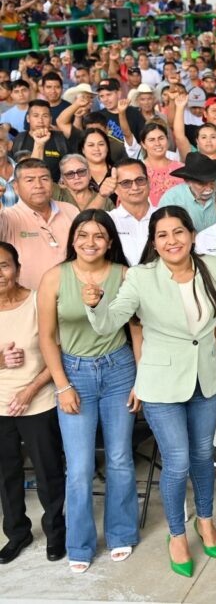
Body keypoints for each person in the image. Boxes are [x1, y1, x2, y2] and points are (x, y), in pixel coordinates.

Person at [83, 206, 216, 577]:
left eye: (179, 232)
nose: (172, 241)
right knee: (178, 460)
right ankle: (178, 533)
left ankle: (206, 520)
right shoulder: (140, 277)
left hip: (205, 378)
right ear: (154, 241)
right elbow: (110, 322)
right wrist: (95, 305)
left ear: (192, 235)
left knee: (202, 456)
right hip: (161, 384)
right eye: (163, 235)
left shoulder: (211, 267)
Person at [37, 210, 139, 573]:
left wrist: (140, 380)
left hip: (119, 370)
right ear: (73, 239)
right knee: (79, 467)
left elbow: (136, 331)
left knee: (119, 459)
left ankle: (122, 531)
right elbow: (47, 337)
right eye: (83, 235)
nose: (90, 242)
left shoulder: (125, 276)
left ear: (110, 241)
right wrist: (62, 385)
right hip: (74, 374)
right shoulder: (54, 278)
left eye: (98, 236)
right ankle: (79, 544)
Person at [0, 242, 65, 565]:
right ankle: (16, 533)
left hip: (37, 399)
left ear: (17, 268)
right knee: (6, 473)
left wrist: (30, 390)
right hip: (0, 406)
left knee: (48, 469)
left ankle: (55, 533)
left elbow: (58, 347)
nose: (0, 274)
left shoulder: (37, 301)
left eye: (4, 265)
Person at [0, 158, 79, 289]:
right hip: (29, 301)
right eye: (30, 180)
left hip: (72, 296)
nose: (38, 185)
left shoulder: (71, 210)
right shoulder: (8, 218)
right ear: (16, 187)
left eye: (44, 179)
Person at [158, 153, 216, 232]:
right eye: (202, 184)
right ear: (187, 181)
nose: (209, 188)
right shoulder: (171, 199)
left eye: (212, 182)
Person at [109, 159, 156, 266]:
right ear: (115, 188)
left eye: (140, 180)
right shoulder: (110, 220)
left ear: (149, 182)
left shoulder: (164, 217)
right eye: (126, 183)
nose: (135, 187)